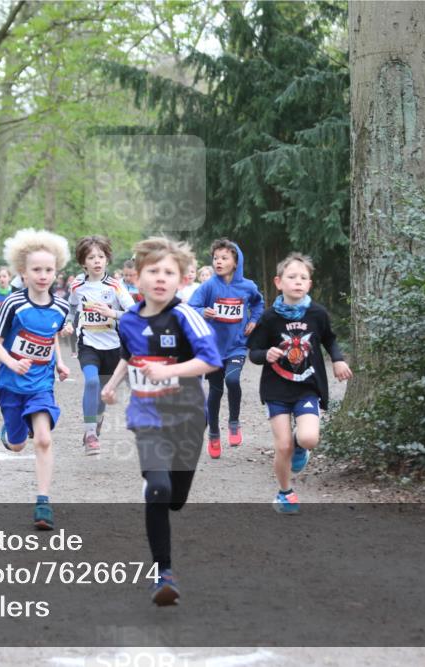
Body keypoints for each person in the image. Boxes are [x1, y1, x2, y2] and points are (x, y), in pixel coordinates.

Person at [101, 236, 221, 606]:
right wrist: (113, 385)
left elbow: (211, 360)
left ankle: (162, 491)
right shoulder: (129, 321)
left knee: (176, 499)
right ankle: (163, 573)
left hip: (186, 417)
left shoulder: (186, 316)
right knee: (159, 490)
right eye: (153, 271)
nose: (160, 278)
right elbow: (130, 357)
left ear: (182, 280)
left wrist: (171, 370)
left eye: (169, 272)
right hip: (147, 415)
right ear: (137, 277)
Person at [247, 253, 352, 514]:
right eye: (291, 277)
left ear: (309, 284)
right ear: (278, 282)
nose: (298, 281)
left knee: (308, 438)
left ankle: (298, 445)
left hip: (308, 385)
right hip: (276, 388)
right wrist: (266, 354)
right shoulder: (270, 317)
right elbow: (254, 351)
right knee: (281, 446)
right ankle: (285, 492)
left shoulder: (317, 313)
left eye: (303, 278)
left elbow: (330, 339)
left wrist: (338, 360)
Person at [0, 228, 72, 531]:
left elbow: (49, 339)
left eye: (48, 269)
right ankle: (10, 435)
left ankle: (43, 502)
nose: (43, 275)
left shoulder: (61, 307)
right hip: (11, 385)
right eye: (36, 269)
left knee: (44, 439)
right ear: (22, 272)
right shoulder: (14, 304)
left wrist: (60, 364)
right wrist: (13, 362)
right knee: (17, 445)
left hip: (40, 385)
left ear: (56, 271)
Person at [187, 239, 264, 458]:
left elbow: (259, 303)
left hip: (237, 346)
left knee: (232, 380)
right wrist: (203, 312)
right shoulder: (209, 285)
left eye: (224, 258)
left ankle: (234, 422)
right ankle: (213, 433)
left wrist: (254, 320)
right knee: (215, 391)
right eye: (215, 258)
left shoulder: (247, 286)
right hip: (212, 349)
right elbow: (192, 306)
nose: (218, 262)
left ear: (236, 262)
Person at [68, 235, 134, 455]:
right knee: (92, 382)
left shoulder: (116, 286)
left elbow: (134, 315)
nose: (97, 260)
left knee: (104, 393)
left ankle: (96, 422)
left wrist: (111, 313)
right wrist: (68, 323)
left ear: (107, 259)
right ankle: (90, 434)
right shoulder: (77, 286)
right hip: (88, 345)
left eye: (101, 256)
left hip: (114, 348)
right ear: (83, 262)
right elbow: (71, 309)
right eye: (91, 257)